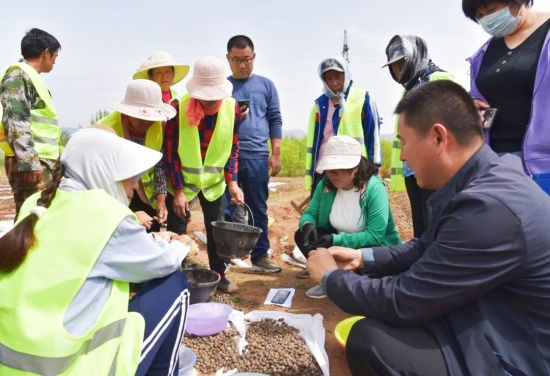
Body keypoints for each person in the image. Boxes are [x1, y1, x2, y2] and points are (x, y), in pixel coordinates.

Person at [307, 80, 550, 376]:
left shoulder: (489, 207)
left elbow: (402, 300)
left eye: (404, 142)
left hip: (516, 356)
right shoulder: (482, 180)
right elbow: (427, 245)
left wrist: (331, 278)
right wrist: (362, 258)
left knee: (369, 340)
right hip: (490, 319)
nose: (403, 157)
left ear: (438, 137)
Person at [0, 127, 190, 376]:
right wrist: (180, 244)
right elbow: (162, 261)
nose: (135, 182)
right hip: (70, 368)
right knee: (175, 284)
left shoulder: (34, 205)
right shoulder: (106, 214)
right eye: (129, 174)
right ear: (103, 171)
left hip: (13, 364)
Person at [165, 56, 244, 294]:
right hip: (182, 184)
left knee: (216, 231)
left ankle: (219, 276)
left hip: (213, 184)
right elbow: (170, 152)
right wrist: (178, 191)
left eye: (214, 97)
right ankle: (174, 279)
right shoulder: (178, 108)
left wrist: (233, 182)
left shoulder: (233, 108)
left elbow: (233, 149)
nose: (210, 102)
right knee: (178, 230)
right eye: (205, 97)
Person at [294, 135, 401, 297]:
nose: (332, 174)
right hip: (341, 246)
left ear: (355, 167)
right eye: (330, 169)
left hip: (372, 249)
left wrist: (335, 240)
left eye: (338, 169)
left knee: (368, 284)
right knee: (302, 235)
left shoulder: (374, 188)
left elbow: (376, 235)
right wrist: (307, 224)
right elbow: (310, 213)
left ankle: (349, 280)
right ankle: (330, 279)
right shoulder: (325, 185)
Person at [463, 0, 550, 194]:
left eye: (492, 10)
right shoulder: (485, 52)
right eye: (480, 16)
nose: (487, 19)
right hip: (495, 162)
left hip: (542, 166)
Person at [384, 35, 456, 238]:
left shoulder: (439, 79)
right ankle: (423, 267)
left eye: (402, 63)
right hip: (413, 170)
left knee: (438, 225)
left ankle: (438, 268)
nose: (399, 70)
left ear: (416, 57)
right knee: (421, 226)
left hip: (435, 169)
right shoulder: (408, 90)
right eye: (395, 66)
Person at [224, 35, 283, 273]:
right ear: (228, 59)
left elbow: (275, 119)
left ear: (254, 57)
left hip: (257, 156)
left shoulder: (266, 85)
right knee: (227, 209)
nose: (242, 65)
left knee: (258, 208)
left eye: (246, 59)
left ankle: (260, 256)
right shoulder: (222, 87)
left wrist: (276, 153)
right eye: (236, 60)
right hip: (227, 159)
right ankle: (227, 257)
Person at [99, 79, 176, 232]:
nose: (148, 123)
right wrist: (127, 213)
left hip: (145, 194)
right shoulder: (105, 131)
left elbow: (160, 165)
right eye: (142, 118)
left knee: (150, 234)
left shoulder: (158, 126)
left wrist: (161, 199)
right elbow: (100, 180)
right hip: (113, 197)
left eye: (151, 118)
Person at [0, 28, 61, 219]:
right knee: (31, 219)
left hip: (42, 162)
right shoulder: (18, 75)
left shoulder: (31, 78)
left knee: (43, 217)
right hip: (33, 165)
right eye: (55, 55)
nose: (55, 61)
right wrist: (28, 162)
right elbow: (16, 119)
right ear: (45, 52)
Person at [305, 56, 382, 196]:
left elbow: (373, 134)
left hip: (354, 170)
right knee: (322, 212)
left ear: (346, 75)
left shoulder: (363, 98)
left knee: (353, 211)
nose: (334, 82)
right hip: (324, 170)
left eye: (338, 77)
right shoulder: (319, 105)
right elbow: (315, 141)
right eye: (328, 78)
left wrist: (374, 169)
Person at [134, 51, 191, 235]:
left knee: (178, 216)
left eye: (168, 72)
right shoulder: (143, 101)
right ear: (150, 76)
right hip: (151, 164)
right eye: (159, 73)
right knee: (150, 217)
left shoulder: (180, 100)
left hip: (174, 165)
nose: (165, 76)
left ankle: (179, 252)